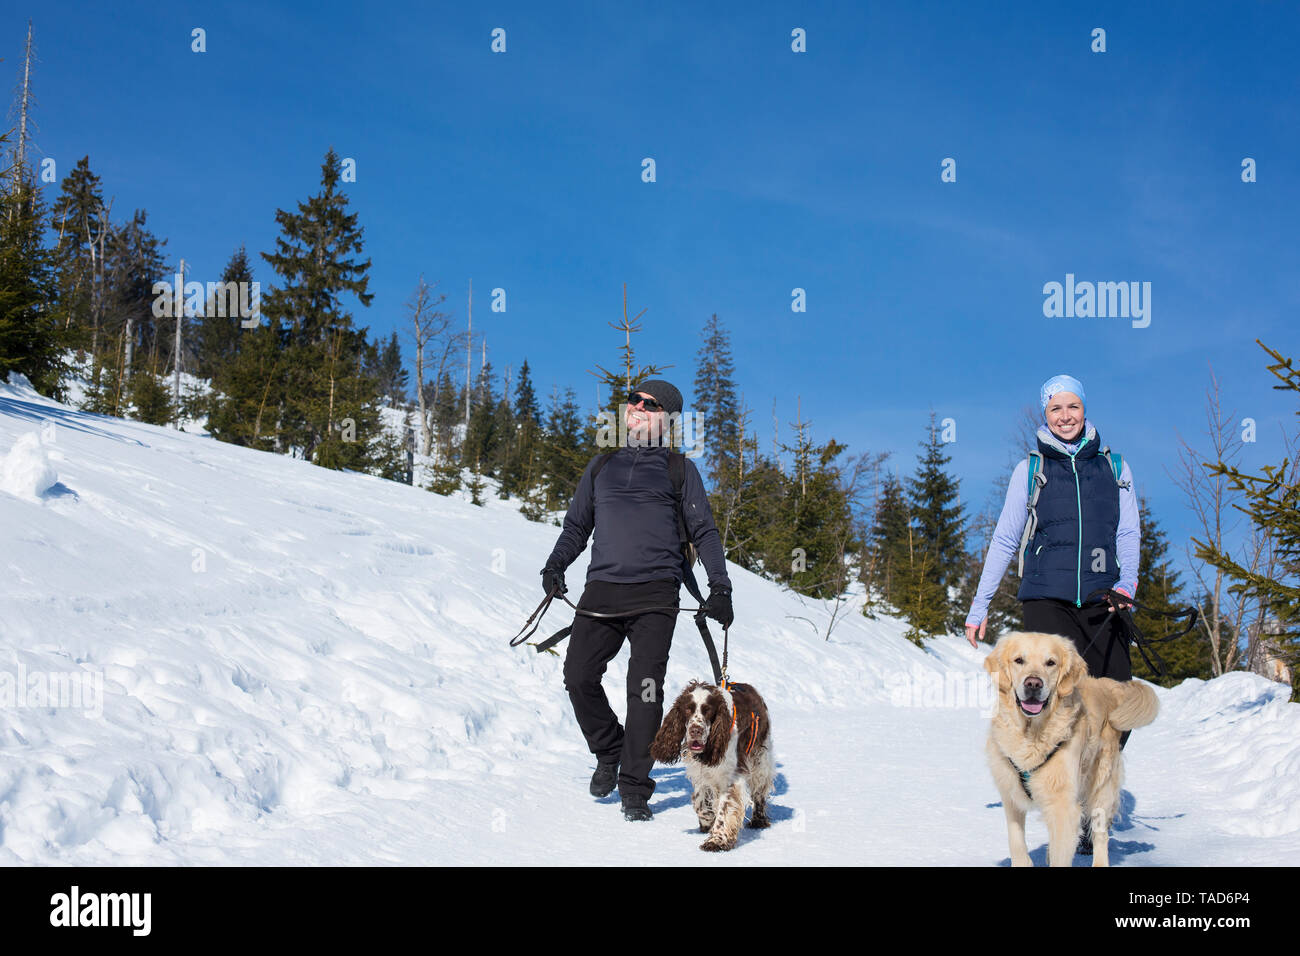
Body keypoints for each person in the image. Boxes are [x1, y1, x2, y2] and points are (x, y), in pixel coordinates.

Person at [540, 379, 733, 822]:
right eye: (633, 401)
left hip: (655, 595)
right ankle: (610, 750)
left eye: (649, 405)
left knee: (644, 692)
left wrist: (720, 587)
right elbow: (575, 528)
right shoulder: (601, 466)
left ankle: (634, 787)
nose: (638, 408)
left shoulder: (678, 470)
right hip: (601, 590)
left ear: (666, 419)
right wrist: (555, 567)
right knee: (577, 675)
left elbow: (704, 532)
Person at [964, 375, 1141, 851]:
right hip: (1047, 596)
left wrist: (1127, 583)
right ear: (1045, 414)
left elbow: (1127, 533)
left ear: (1085, 408)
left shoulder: (1115, 466)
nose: (1065, 415)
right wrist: (979, 605)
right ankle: (1061, 800)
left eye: (1073, 406)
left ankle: (1091, 789)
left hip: (1105, 599)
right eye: (1055, 408)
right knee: (1053, 701)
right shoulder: (1032, 469)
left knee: (1115, 706)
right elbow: (1005, 538)